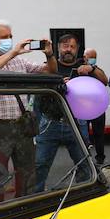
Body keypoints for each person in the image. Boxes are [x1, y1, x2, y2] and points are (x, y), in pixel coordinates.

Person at [0, 19, 56, 195]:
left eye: (10, 36)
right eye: (4, 37)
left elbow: (50, 71)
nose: (9, 40)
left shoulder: (20, 62)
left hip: (21, 125)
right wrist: (13, 52)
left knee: (28, 175)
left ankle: (27, 211)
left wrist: (49, 55)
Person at [32, 34, 86, 192]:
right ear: (58, 48)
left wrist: (92, 68)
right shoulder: (48, 66)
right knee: (40, 164)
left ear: (77, 49)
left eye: (72, 46)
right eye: (65, 46)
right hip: (50, 121)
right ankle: (36, 199)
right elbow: (38, 91)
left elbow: (102, 82)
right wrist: (57, 83)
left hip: (76, 121)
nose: (68, 49)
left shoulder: (83, 68)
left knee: (84, 162)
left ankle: (85, 196)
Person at [75, 47, 110, 164]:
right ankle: (84, 158)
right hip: (82, 107)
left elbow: (105, 81)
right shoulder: (77, 67)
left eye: (94, 58)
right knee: (82, 134)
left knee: (99, 134)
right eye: (90, 57)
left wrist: (92, 68)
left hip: (97, 107)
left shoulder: (96, 70)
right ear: (84, 57)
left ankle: (100, 158)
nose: (92, 60)